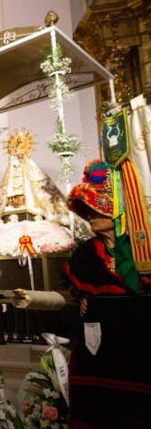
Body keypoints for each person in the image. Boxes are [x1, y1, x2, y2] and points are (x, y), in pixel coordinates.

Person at [63, 160, 151, 427]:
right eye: (86, 211)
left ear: (116, 211)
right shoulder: (85, 253)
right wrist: (83, 299)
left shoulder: (144, 247)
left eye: (93, 210)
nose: (89, 216)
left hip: (141, 347)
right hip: (100, 352)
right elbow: (75, 287)